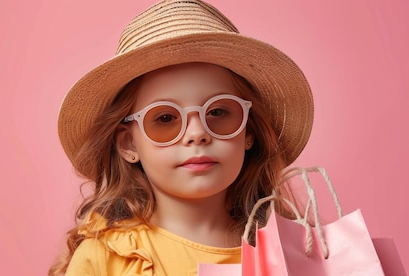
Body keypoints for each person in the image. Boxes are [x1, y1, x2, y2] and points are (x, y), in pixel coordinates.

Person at [51, 0, 314, 275]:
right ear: (129, 143)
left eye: (218, 111)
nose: (197, 134)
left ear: (248, 131)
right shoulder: (106, 259)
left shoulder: (295, 254)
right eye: (165, 118)